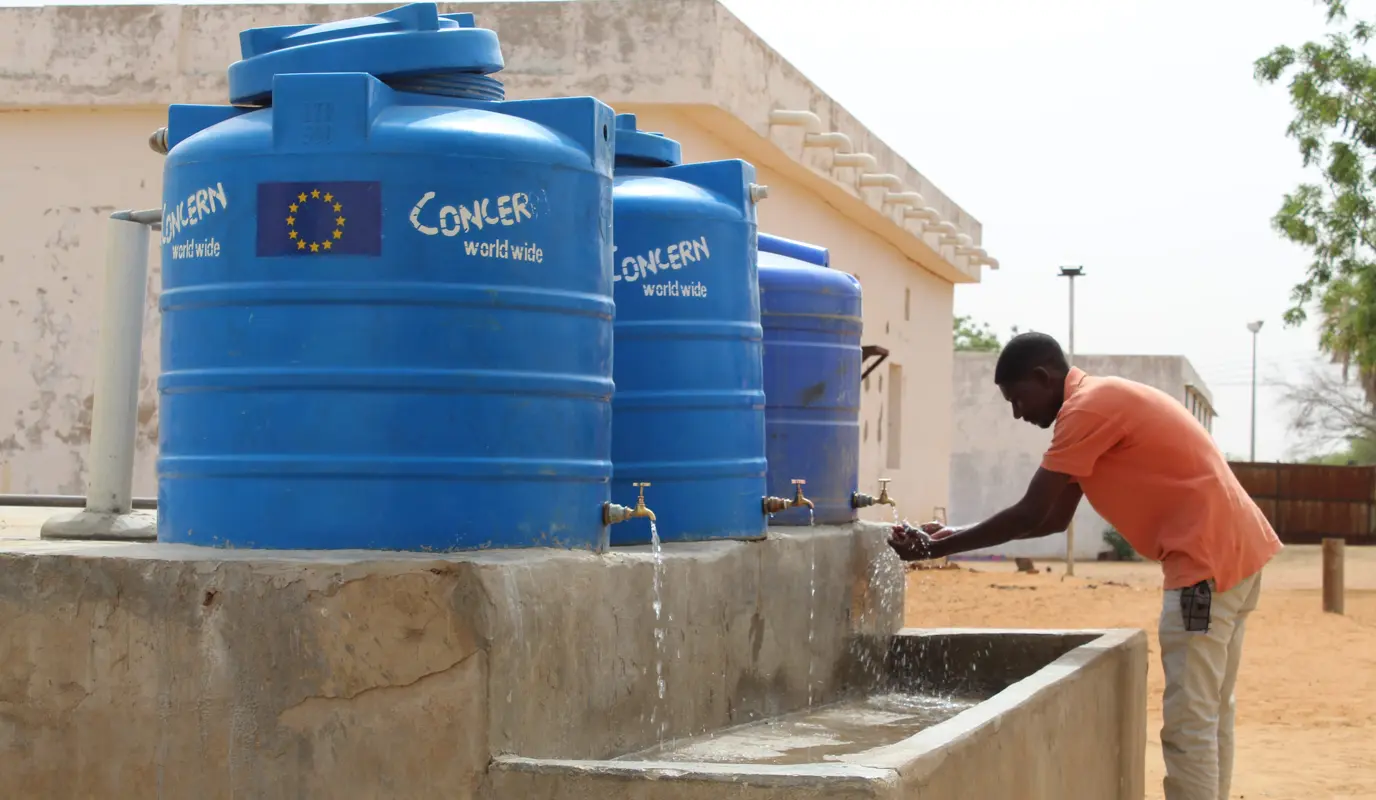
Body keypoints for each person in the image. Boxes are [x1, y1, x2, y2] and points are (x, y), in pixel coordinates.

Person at [890, 331, 1281, 800]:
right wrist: (952, 536)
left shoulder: (1085, 410)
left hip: (1202, 567)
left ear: (1043, 376)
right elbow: (1053, 519)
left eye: (1018, 398)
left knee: (1189, 720)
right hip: (1237, 554)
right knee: (1213, 709)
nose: (1018, 412)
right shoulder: (1099, 404)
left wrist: (936, 550)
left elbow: (1032, 512)